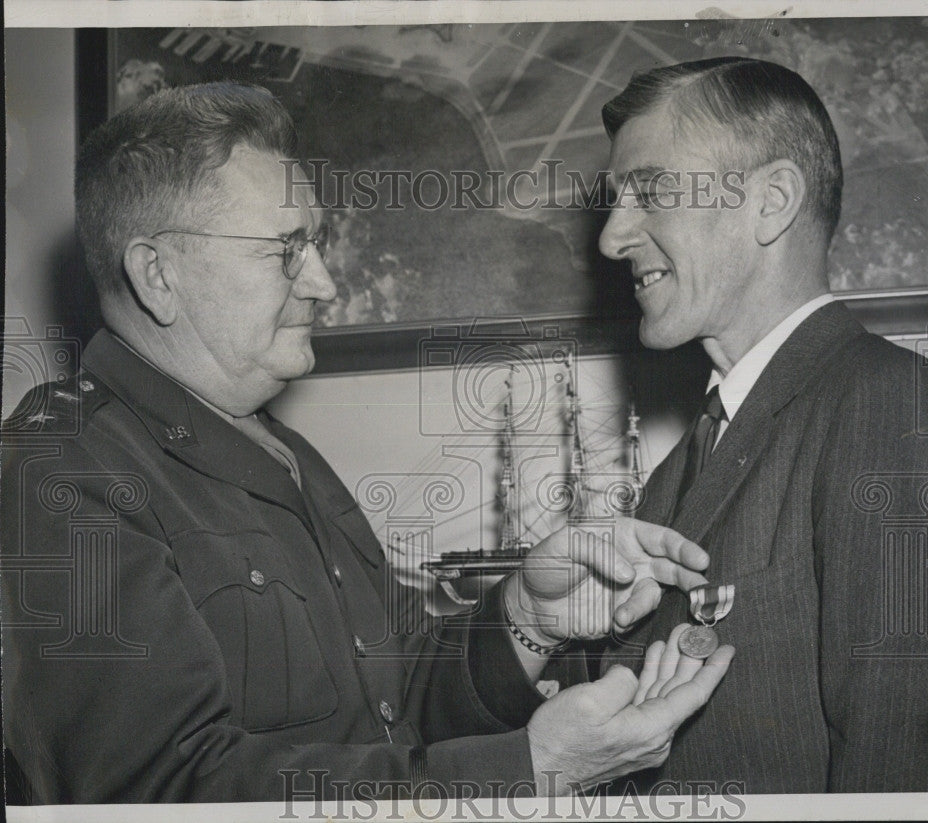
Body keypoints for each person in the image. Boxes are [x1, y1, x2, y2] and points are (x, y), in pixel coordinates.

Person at [0, 82, 734, 804]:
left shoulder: (282, 449)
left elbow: (397, 693)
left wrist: (525, 616)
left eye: (314, 242)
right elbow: (155, 792)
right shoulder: (60, 469)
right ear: (158, 274)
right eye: (285, 249)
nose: (323, 280)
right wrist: (528, 769)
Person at [595, 56, 928, 793]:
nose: (612, 237)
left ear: (772, 199)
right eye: (617, 201)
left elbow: (913, 769)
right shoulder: (680, 468)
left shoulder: (891, 408)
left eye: (649, 192)